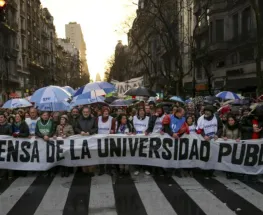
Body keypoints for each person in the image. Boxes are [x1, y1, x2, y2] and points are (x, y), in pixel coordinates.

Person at [196, 105, 223, 177]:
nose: (206, 113)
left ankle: (211, 171)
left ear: (212, 112)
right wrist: (204, 135)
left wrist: (217, 134)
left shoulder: (216, 118)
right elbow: (198, 129)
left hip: (214, 140)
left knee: (213, 156)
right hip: (204, 140)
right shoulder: (201, 119)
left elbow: (220, 127)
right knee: (205, 155)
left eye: (208, 111)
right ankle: (204, 171)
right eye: (205, 111)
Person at [75, 107, 98, 176]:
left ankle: (91, 170)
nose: (85, 113)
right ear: (82, 112)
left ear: (89, 112)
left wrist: (90, 132)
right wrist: (80, 131)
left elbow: (96, 128)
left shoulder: (93, 119)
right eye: (84, 112)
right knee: (83, 155)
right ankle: (84, 170)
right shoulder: (78, 119)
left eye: (87, 112)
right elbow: (76, 128)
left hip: (91, 140)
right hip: (81, 140)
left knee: (92, 154)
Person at [97, 106, 115, 175]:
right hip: (100, 140)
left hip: (108, 140)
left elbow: (113, 128)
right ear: (102, 112)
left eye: (107, 111)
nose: (106, 112)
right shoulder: (98, 119)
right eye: (104, 111)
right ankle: (101, 169)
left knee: (109, 155)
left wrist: (113, 131)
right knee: (100, 155)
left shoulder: (112, 119)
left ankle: (109, 169)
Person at [222, 114, 241, 179]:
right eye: (229, 120)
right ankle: (228, 173)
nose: (230, 122)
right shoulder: (225, 127)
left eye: (232, 120)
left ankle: (233, 172)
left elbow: (240, 136)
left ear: (234, 121)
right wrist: (224, 137)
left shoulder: (238, 127)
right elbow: (222, 135)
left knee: (234, 159)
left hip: (236, 146)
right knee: (228, 159)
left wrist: (239, 138)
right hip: (228, 147)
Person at [133, 107, 150, 176]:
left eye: (143, 111)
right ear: (138, 112)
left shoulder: (148, 118)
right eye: (140, 110)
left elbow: (150, 127)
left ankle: (145, 168)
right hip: (136, 138)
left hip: (145, 138)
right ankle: (137, 168)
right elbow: (131, 126)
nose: (142, 112)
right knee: (137, 153)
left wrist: (147, 131)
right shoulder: (134, 118)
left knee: (145, 154)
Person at [0, 112, 12, 179]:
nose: (0, 119)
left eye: (1, 117)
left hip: (7, 146)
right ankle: (2, 174)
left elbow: (11, 135)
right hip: (0, 146)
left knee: (8, 160)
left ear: (5, 118)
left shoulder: (9, 125)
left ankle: (10, 174)